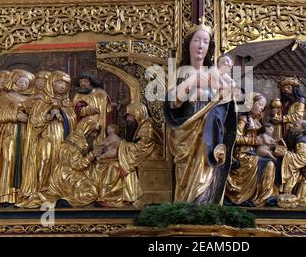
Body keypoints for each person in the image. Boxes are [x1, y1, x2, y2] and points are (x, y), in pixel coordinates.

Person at [164, 18, 237, 204]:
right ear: (189, 44)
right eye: (196, 40)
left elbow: (227, 104)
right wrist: (194, 81)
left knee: (207, 180)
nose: (200, 45)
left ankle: (204, 209)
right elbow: (173, 103)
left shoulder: (215, 73)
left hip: (209, 138)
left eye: (205, 41)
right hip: (185, 137)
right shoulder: (179, 72)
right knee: (185, 183)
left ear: (209, 47)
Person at [17, 71, 77, 208]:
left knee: (59, 163)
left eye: (66, 84)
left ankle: (55, 191)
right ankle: (41, 190)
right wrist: (49, 114)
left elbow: (73, 121)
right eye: (60, 82)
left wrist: (62, 113)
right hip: (46, 137)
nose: (63, 86)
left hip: (63, 139)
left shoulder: (67, 102)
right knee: (44, 160)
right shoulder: (42, 99)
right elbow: (35, 120)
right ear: (52, 82)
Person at [92, 103, 163, 207]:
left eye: (130, 116)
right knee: (110, 164)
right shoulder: (141, 125)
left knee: (114, 167)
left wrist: (121, 145)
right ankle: (107, 196)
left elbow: (141, 148)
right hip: (136, 156)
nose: (128, 119)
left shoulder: (148, 127)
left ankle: (113, 198)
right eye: (127, 117)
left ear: (137, 113)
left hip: (148, 158)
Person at [226, 93, 278, 207]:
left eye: (263, 107)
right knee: (259, 161)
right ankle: (247, 195)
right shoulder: (244, 119)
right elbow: (235, 138)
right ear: (251, 103)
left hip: (254, 153)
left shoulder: (258, 122)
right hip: (243, 154)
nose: (261, 108)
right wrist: (255, 141)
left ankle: (264, 197)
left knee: (271, 163)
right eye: (260, 104)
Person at [0, 69, 35, 206]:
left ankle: (20, 194)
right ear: (15, 81)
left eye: (26, 83)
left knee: (23, 161)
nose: (23, 84)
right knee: (7, 159)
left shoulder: (31, 97)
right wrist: (15, 115)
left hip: (25, 134)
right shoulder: (6, 96)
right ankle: (4, 194)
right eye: (20, 81)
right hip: (8, 132)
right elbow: (0, 114)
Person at [39, 118, 103, 208]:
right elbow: (76, 165)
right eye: (93, 132)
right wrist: (92, 155)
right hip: (68, 175)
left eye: (96, 132)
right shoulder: (79, 143)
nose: (95, 135)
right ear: (86, 129)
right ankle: (68, 201)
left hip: (60, 174)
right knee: (92, 192)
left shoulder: (73, 138)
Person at [73, 73, 113, 144]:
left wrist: (112, 107)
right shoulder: (78, 95)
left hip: (100, 121)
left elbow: (108, 108)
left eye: (85, 81)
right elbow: (76, 108)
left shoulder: (101, 93)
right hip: (84, 124)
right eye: (80, 82)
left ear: (91, 82)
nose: (82, 84)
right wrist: (86, 110)